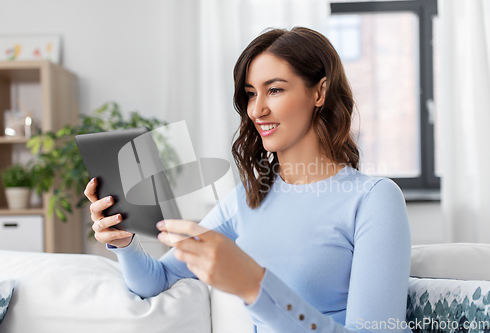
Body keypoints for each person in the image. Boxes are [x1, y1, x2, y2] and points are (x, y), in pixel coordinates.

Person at [84, 27, 412, 333]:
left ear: (319, 92)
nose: (257, 110)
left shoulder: (373, 199)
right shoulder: (248, 199)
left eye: (275, 90)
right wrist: (123, 242)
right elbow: (158, 278)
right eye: (251, 93)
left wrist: (254, 286)